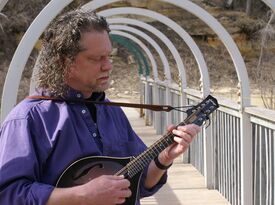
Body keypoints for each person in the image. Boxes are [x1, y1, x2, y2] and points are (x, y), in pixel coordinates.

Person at [0, 9, 201, 205]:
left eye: (109, 57)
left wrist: (163, 159)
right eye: (96, 59)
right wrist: (82, 196)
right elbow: (8, 194)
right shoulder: (28, 118)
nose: (108, 66)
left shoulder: (112, 112)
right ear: (64, 62)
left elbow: (138, 183)